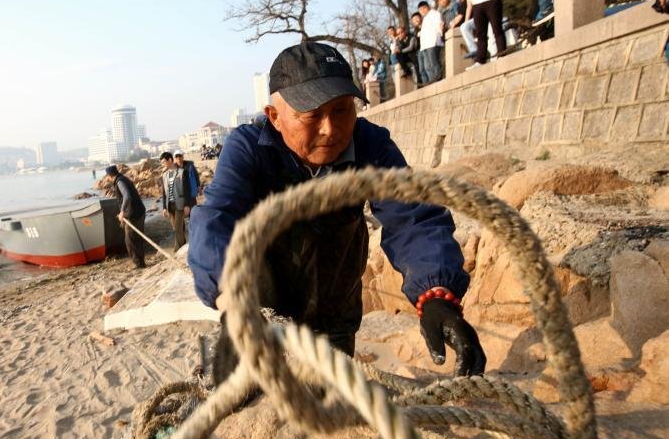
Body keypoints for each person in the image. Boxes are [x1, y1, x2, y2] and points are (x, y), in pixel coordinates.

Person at [188, 41, 485, 382]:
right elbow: (215, 219)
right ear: (276, 117)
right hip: (262, 310)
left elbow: (412, 215)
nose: (330, 128)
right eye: (313, 116)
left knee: (327, 404)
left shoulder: (370, 145)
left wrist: (436, 295)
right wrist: (232, 304)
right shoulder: (249, 149)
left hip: (334, 311)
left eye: (342, 110)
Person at [105, 165, 147, 268]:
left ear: (110, 176)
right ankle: (141, 263)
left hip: (133, 214)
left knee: (130, 241)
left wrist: (122, 211)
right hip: (139, 211)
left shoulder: (120, 182)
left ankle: (138, 263)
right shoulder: (123, 179)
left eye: (107, 176)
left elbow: (127, 196)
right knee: (138, 238)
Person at [160, 150, 198, 250]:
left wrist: (187, 205)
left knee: (177, 228)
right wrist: (164, 207)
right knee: (177, 228)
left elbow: (187, 190)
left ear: (170, 160)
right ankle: (184, 246)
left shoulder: (182, 172)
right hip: (170, 205)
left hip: (180, 204)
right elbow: (164, 193)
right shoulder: (164, 175)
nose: (162, 164)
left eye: (164, 162)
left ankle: (179, 249)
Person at [418, 1, 445, 83]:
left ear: (427, 7)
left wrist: (439, 36)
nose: (422, 11)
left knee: (434, 62)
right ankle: (432, 79)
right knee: (428, 66)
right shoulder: (425, 18)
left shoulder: (434, 14)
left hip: (433, 42)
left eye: (423, 8)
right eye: (420, 10)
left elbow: (439, 26)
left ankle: (438, 77)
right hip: (425, 45)